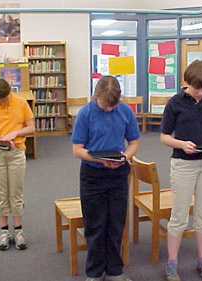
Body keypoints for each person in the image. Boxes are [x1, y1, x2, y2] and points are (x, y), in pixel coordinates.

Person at [71, 76, 139, 281]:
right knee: (95, 225)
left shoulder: (125, 111)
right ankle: (93, 272)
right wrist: (100, 160)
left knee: (116, 223)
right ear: (96, 96)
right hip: (93, 174)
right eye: (104, 105)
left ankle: (114, 270)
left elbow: (133, 142)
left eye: (112, 105)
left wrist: (125, 157)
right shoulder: (86, 113)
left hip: (118, 173)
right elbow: (77, 149)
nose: (108, 109)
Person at [160, 61, 202, 281]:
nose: (201, 93)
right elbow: (164, 137)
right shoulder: (175, 103)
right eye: (198, 88)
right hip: (184, 164)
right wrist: (182, 144)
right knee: (179, 216)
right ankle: (172, 264)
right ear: (188, 83)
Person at [0, 79, 35, 251]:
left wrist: (15, 133)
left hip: (16, 152)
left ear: (9, 94)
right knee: (0, 194)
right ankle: (4, 231)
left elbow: (31, 128)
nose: (1, 103)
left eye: (3, 100)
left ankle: (18, 230)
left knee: (16, 193)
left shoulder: (20, 103)